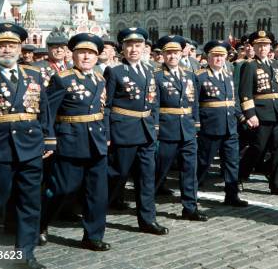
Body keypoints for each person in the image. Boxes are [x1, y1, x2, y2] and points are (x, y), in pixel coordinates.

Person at [0, 23, 55, 269]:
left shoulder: (33, 74)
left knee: (30, 202)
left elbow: (45, 109)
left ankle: (24, 255)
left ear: (20, 48)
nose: (7, 49)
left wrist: (49, 137)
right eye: (2, 45)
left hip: (31, 146)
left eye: (11, 45)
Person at [39, 33, 110, 251]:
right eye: (81, 52)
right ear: (73, 55)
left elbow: (103, 110)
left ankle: (93, 235)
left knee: (97, 192)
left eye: (91, 53)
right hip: (70, 141)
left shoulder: (100, 78)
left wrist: (106, 135)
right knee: (61, 188)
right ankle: (39, 225)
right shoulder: (63, 78)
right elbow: (48, 112)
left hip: (96, 142)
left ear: (97, 57)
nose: (86, 57)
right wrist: (49, 140)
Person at [104, 27, 168, 235]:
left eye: (138, 45)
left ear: (144, 48)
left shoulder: (150, 71)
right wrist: (107, 134)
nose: (133, 49)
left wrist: (155, 125)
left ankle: (147, 219)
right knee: (118, 175)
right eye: (129, 45)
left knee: (146, 178)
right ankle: (97, 210)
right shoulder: (115, 71)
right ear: (122, 47)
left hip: (146, 131)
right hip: (123, 131)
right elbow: (106, 106)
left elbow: (154, 102)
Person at [153, 35, 207, 221]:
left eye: (175, 52)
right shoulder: (157, 76)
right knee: (160, 169)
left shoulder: (189, 74)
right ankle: (147, 202)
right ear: (163, 55)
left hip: (188, 129)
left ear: (181, 53)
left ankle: (189, 207)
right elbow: (154, 105)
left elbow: (196, 102)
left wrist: (196, 122)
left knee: (189, 170)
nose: (172, 56)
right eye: (168, 53)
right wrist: (156, 127)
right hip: (167, 129)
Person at [238, 30, 278, 196]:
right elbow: (245, 92)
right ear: (253, 46)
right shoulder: (249, 65)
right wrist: (250, 114)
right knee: (258, 148)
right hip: (260, 113)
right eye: (259, 45)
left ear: (270, 47)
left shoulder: (275, 65)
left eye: (265, 45)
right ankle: (239, 174)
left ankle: (277, 184)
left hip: (276, 113)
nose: (262, 48)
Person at [195, 40, 248, 207]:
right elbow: (194, 103)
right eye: (215, 56)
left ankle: (232, 196)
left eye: (222, 56)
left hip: (229, 127)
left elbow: (233, 100)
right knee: (203, 162)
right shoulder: (200, 76)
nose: (219, 59)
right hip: (210, 127)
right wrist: (196, 124)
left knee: (232, 162)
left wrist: (241, 117)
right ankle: (190, 192)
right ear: (208, 57)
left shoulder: (228, 76)